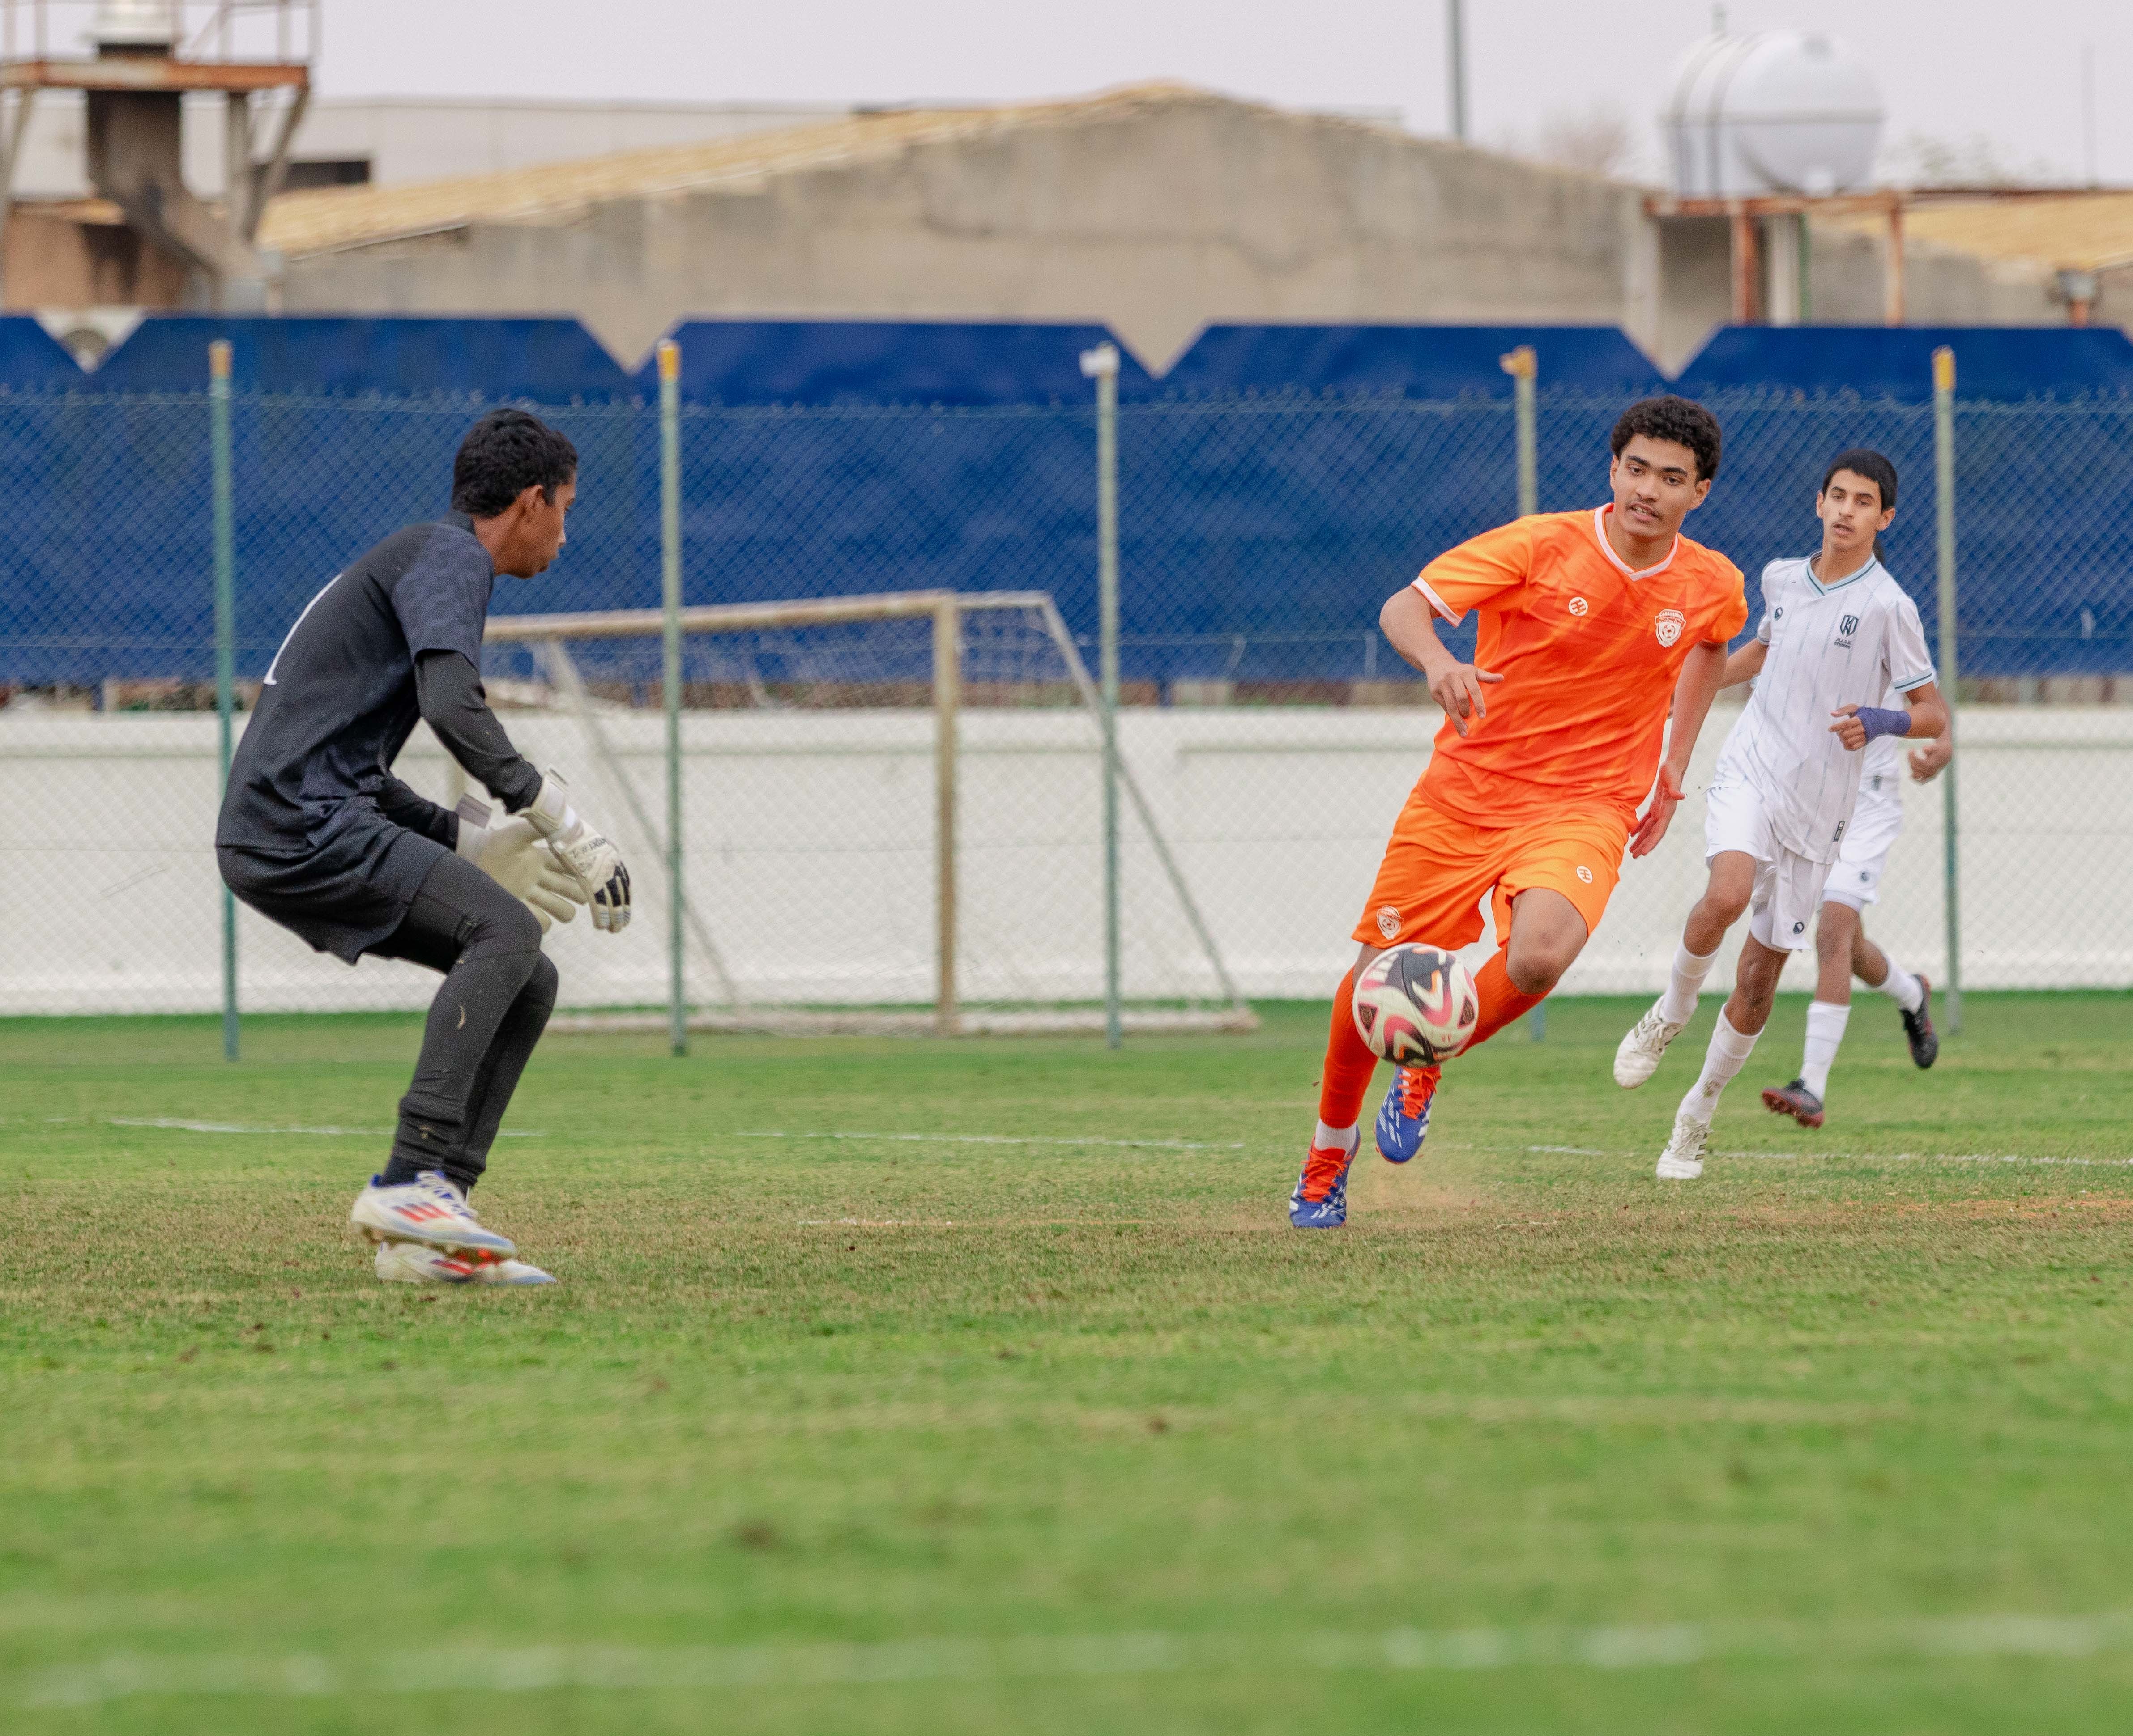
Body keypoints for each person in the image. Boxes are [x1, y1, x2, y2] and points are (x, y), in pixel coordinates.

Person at [1288, 396, 1748, 1228]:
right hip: (1465, 793)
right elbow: (1406, 606)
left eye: (1670, 478)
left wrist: (1673, 764)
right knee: (1367, 983)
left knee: (1538, 957)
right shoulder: (1540, 545)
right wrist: (1436, 660)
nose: (1648, 489)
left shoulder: (1710, 581)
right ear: (1613, 470)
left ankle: (1430, 1053)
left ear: (1699, 493)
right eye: (1636, 469)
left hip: (1587, 802)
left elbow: (1711, 646)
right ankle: (1328, 1154)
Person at [216, 408, 632, 1285]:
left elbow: (349, 761)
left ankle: (429, 1228)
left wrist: (465, 838)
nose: (568, 526)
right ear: (531, 502)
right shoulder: (451, 557)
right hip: (297, 821)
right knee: (509, 935)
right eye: (567, 505)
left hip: (287, 817)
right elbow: (452, 706)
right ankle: (411, 1180)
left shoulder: (419, 558)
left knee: (529, 971)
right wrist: (560, 818)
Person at [1612, 448, 1948, 1178]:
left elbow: (1932, 713)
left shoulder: (1891, 607)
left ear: (1883, 517)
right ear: (1818, 503)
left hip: (1822, 808)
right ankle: (1669, 1013)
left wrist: (1879, 721)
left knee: (1758, 981)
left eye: (1863, 502)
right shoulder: (1780, 579)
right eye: (1837, 496)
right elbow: (1760, 651)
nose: (1846, 510)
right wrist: (1673, 684)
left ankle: (1694, 1115)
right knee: (1725, 893)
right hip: (1752, 768)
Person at [1758, 695, 1950, 1127]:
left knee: (1832, 935)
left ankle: (1811, 1087)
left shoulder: (1888, 623)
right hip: (1809, 801)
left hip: (1868, 803)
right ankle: (1911, 994)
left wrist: (1946, 742)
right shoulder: (1792, 625)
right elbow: (1762, 662)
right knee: (1850, 948)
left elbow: (1930, 700)